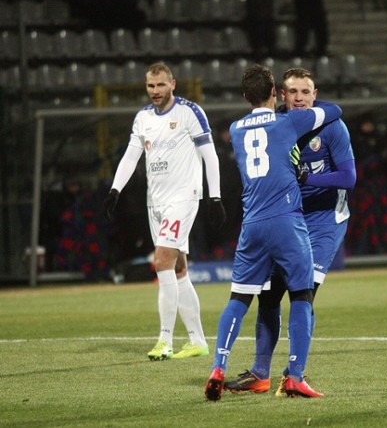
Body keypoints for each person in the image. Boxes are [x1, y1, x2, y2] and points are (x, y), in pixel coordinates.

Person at [204, 64, 343, 401]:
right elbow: (333, 111)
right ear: (275, 94)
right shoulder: (287, 122)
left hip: (251, 225)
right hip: (286, 221)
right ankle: (295, 376)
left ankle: (218, 367)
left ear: (244, 96)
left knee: (239, 298)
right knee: (301, 296)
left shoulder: (235, 128)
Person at [102, 62, 226, 361]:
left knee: (161, 262)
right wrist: (115, 190)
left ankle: (165, 340)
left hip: (183, 198)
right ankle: (197, 340)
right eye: (150, 86)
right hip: (155, 202)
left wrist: (215, 196)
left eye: (160, 85)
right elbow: (131, 157)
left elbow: (210, 155)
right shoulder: (143, 118)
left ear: (173, 83)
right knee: (179, 269)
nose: (155, 91)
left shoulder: (189, 112)